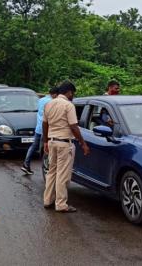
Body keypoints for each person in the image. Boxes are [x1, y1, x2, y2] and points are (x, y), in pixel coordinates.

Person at [43, 81, 90, 213]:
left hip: (52, 142)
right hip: (64, 143)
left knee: (51, 172)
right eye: (72, 93)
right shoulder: (68, 106)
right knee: (62, 175)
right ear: (69, 92)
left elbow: (44, 124)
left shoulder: (49, 103)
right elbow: (73, 126)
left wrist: (45, 141)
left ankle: (47, 200)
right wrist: (83, 143)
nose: (73, 96)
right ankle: (61, 204)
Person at [21, 87, 59, 175]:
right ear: (55, 94)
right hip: (47, 129)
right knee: (47, 149)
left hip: (39, 128)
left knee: (34, 146)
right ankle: (48, 169)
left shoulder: (41, 100)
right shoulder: (52, 102)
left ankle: (26, 164)